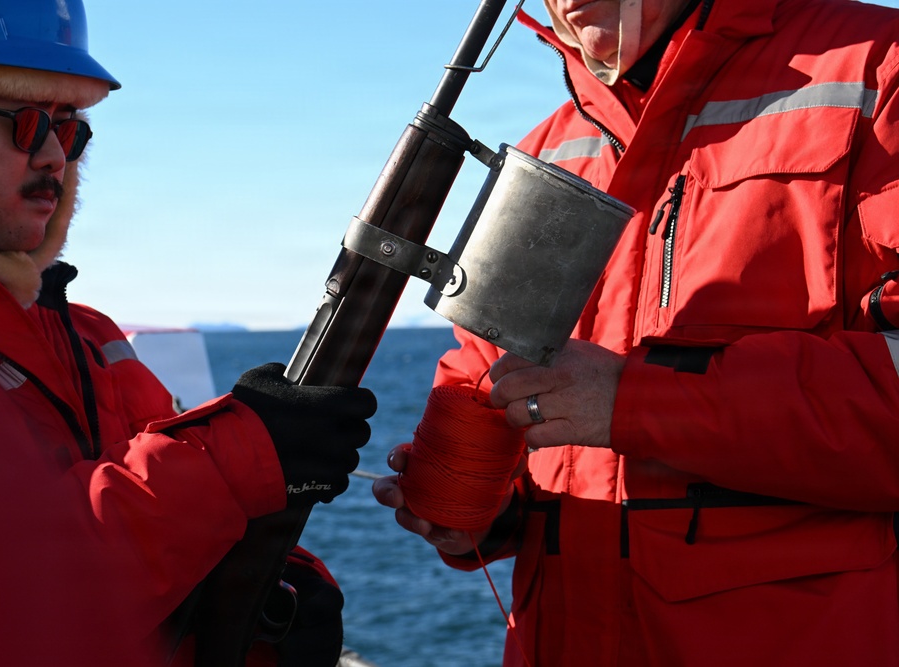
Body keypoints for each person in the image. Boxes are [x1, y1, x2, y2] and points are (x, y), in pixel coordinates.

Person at [373, 0, 899, 665]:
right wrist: (470, 505)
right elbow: (480, 373)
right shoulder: (546, 151)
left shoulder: (879, 69)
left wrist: (637, 401)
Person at [0, 1, 376, 666]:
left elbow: (183, 519)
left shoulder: (88, 334)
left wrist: (286, 585)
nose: (54, 159)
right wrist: (242, 452)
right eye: (29, 122)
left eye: (71, 132)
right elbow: (2, 585)